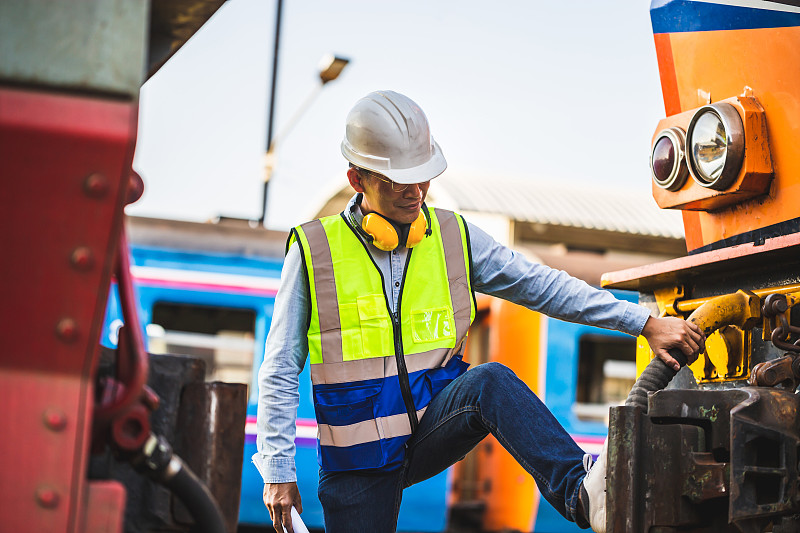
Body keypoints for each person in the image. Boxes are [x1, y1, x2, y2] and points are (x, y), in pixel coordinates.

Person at [254, 90, 705, 533]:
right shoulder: (315, 249)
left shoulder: (453, 236)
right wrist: (278, 469)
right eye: (398, 183)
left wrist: (644, 323)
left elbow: (541, 285)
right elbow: (280, 365)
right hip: (357, 461)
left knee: (490, 381)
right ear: (358, 180)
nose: (416, 193)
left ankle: (579, 493)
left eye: (423, 176)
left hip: (431, 426)